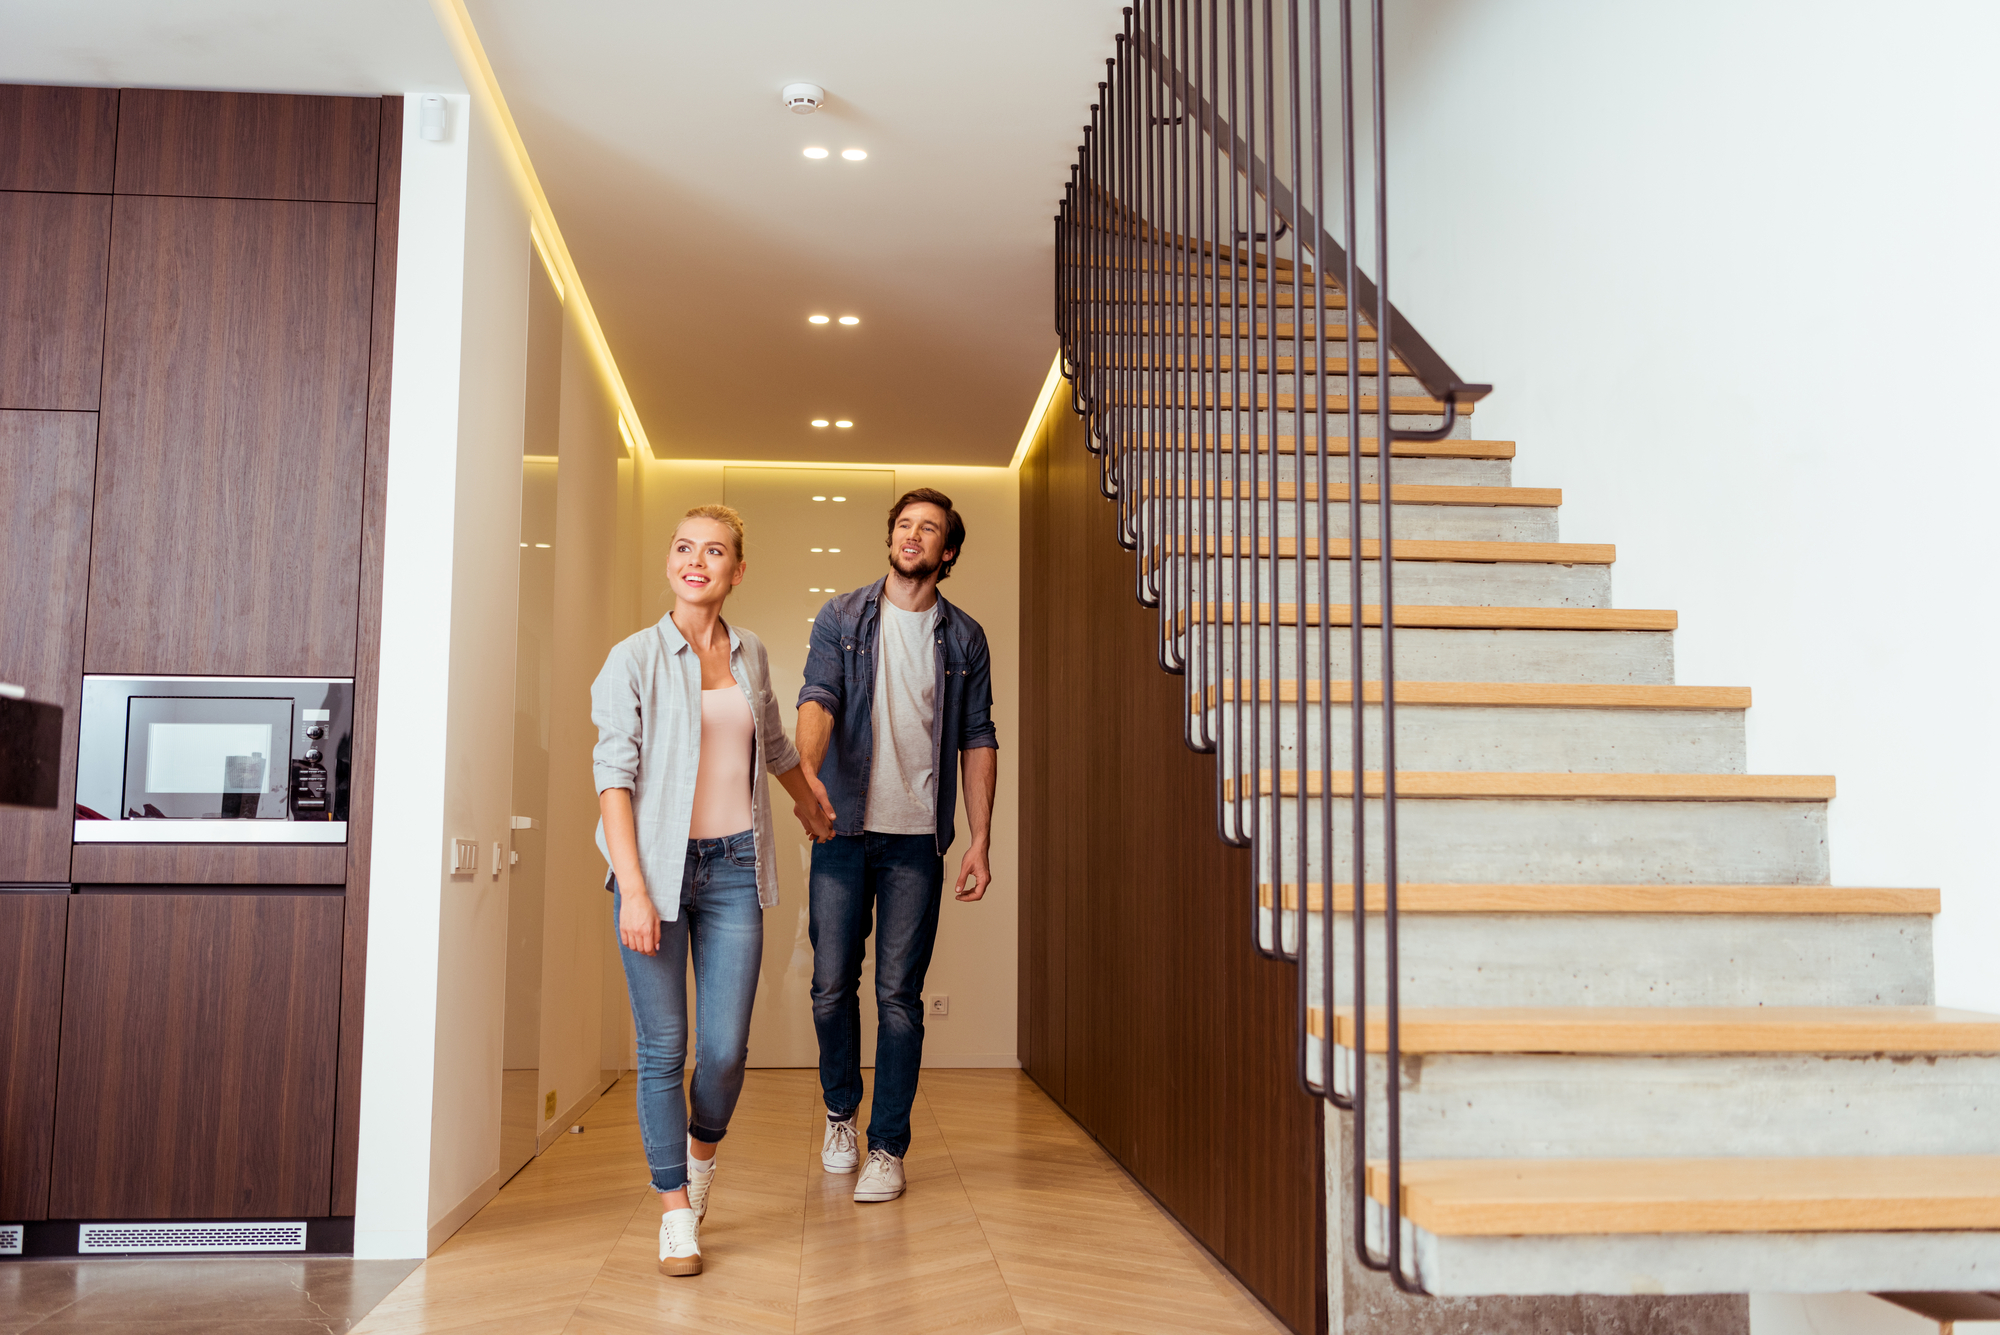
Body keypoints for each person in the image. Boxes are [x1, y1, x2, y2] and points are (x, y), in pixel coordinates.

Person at [592, 504, 835, 1277]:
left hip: (734, 866)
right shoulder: (630, 658)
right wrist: (632, 887)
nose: (696, 560)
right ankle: (673, 1211)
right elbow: (613, 780)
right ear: (672, 561)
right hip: (654, 872)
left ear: (736, 570)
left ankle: (700, 1158)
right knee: (663, 1049)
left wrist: (806, 796)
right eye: (685, 547)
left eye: (715, 550)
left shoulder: (753, 651)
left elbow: (771, 738)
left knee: (725, 1051)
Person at [795, 487, 998, 1203]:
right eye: (904, 525)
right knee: (829, 989)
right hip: (842, 828)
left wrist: (978, 841)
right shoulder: (843, 615)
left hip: (917, 840)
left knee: (899, 998)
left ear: (948, 552)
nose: (913, 536)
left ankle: (887, 1146)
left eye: (929, 529)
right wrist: (808, 781)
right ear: (892, 539)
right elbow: (817, 697)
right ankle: (840, 1114)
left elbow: (978, 738)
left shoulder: (964, 637)